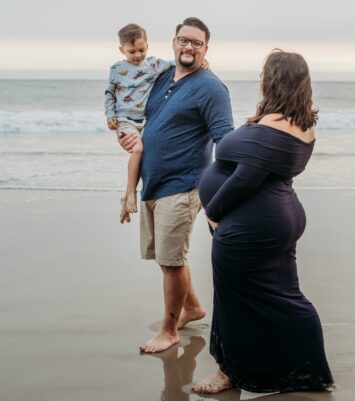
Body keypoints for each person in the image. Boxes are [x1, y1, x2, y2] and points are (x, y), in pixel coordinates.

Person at [193, 49, 334, 394]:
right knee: (285, 296)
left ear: (274, 80)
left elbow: (244, 180)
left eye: (264, 74)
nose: (260, 78)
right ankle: (310, 369)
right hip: (279, 220)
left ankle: (227, 372)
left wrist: (213, 212)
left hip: (250, 231)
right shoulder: (302, 123)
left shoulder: (271, 130)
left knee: (232, 299)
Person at [117, 17, 234, 353]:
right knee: (168, 257)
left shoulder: (211, 88)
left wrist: (222, 197)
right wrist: (124, 135)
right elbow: (136, 109)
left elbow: (224, 141)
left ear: (205, 49)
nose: (189, 47)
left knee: (171, 260)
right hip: (153, 182)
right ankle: (192, 308)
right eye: (184, 40)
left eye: (196, 43)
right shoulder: (163, 75)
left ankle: (169, 330)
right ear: (173, 42)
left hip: (184, 185)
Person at [105, 23, 175, 222]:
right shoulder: (117, 69)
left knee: (147, 155)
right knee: (137, 149)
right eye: (132, 51)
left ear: (148, 46)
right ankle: (131, 192)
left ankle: (126, 198)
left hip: (145, 121)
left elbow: (177, 63)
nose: (137, 55)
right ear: (122, 50)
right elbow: (109, 94)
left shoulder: (153, 64)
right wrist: (110, 115)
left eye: (141, 50)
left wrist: (203, 61)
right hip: (124, 120)